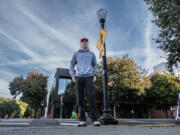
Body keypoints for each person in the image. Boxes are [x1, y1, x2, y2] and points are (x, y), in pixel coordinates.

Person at [69, 37, 100, 126]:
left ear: (88, 43)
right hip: (79, 78)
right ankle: (82, 120)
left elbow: (95, 65)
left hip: (89, 77)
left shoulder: (91, 54)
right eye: (83, 42)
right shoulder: (76, 54)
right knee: (80, 99)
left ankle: (95, 119)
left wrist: (94, 75)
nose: (84, 43)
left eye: (86, 42)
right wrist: (72, 75)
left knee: (91, 97)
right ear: (80, 44)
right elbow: (71, 65)